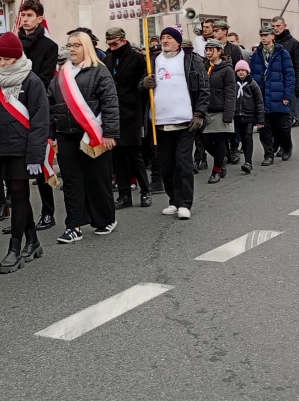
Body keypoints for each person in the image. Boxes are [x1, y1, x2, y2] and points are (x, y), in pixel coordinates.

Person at [0, 32, 50, 271]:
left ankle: (14, 249)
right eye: (0, 59)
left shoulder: (32, 82)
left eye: (7, 59)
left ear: (18, 58)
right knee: (18, 196)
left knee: (18, 195)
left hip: (23, 149)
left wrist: (36, 156)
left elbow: (40, 121)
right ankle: (34, 242)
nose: (2, 64)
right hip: (1, 147)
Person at [51, 31, 119, 242]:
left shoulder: (100, 71)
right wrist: (51, 134)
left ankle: (105, 218)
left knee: (97, 179)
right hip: (65, 134)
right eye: (70, 45)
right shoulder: (61, 74)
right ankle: (74, 226)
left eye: (77, 45)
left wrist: (110, 133)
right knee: (71, 182)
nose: (72, 49)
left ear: (87, 47)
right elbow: (51, 104)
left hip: (93, 134)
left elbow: (110, 102)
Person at [139, 27, 207, 219]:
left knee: (183, 163)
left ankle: (185, 203)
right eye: (163, 38)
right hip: (160, 122)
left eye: (169, 37)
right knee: (166, 165)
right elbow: (141, 86)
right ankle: (174, 200)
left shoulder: (191, 60)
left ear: (178, 41)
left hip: (185, 122)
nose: (165, 41)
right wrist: (144, 84)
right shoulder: (153, 61)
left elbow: (203, 89)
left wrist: (199, 114)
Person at [17, 0, 58, 231]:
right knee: (15, 166)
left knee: (40, 162)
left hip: (36, 107)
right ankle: (21, 217)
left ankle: (48, 212)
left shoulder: (48, 47)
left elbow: (45, 79)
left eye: (30, 15)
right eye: (23, 15)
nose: (25, 18)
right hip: (13, 108)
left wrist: (24, 90)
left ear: (40, 19)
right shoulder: (14, 43)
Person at [104, 27, 151, 208]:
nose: (112, 47)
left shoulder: (138, 59)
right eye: (109, 44)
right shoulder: (107, 60)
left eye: (115, 43)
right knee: (117, 156)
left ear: (124, 40)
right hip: (113, 114)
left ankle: (145, 191)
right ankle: (124, 195)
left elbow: (144, 87)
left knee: (134, 155)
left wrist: (143, 87)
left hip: (131, 113)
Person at [249, 25, 295, 165]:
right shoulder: (256, 55)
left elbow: (289, 75)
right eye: (261, 35)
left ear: (272, 37)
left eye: (266, 35)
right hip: (262, 97)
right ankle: (268, 155)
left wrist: (287, 96)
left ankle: (287, 146)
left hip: (279, 96)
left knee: (283, 127)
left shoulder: (282, 53)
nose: (263, 38)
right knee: (264, 128)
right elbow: (253, 77)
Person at [202, 39, 236, 183]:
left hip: (221, 110)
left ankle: (216, 170)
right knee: (204, 141)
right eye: (207, 50)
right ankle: (221, 160)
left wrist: (228, 114)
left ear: (219, 51)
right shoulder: (204, 67)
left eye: (211, 50)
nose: (208, 53)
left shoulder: (227, 69)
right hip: (206, 110)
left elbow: (230, 93)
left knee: (219, 141)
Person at [232, 60, 264, 173]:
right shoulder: (232, 83)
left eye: (243, 70)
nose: (240, 73)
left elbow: (259, 102)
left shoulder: (252, 83)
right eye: (238, 70)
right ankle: (233, 154)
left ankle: (248, 162)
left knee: (247, 137)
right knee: (235, 138)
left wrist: (260, 119)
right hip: (236, 116)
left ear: (247, 71)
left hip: (249, 115)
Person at [271, 17, 299, 125]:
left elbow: (298, 66)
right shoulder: (269, 42)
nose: (275, 28)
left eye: (278, 26)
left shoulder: (293, 43)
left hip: (288, 83)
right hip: (272, 84)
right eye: (273, 26)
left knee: (285, 119)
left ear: (284, 26)